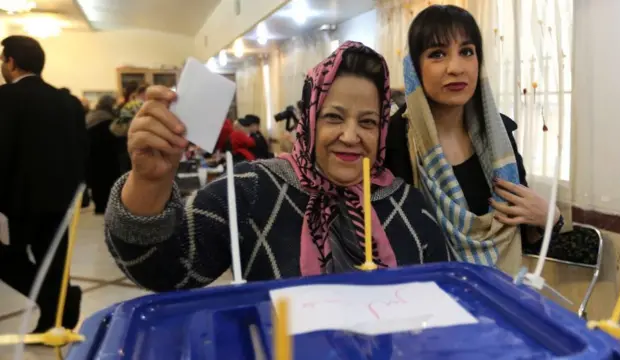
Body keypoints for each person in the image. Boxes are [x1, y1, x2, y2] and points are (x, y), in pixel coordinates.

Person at [104, 42, 449, 291]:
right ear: (309, 119)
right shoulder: (253, 188)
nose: (350, 135)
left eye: (368, 122)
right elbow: (163, 271)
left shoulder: (410, 208)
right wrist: (149, 182)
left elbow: (439, 308)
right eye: (333, 117)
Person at [384, 5, 564, 275]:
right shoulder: (392, 140)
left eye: (467, 52)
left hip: (498, 292)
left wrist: (551, 218)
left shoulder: (499, 135)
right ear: (415, 69)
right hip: (420, 297)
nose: (456, 67)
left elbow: (523, 233)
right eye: (437, 54)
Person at [0, 35, 84, 332]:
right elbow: (79, 149)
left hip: (18, 201)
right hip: (62, 198)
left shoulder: (5, 98)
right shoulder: (68, 101)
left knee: (8, 259)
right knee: (56, 262)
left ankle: (56, 303)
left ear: (11, 62)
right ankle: (55, 316)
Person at [86, 95, 120, 214]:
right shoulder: (109, 119)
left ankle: (99, 206)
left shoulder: (91, 116)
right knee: (107, 182)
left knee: (97, 182)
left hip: (92, 156)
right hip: (108, 156)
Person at [111, 83, 148, 174]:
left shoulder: (124, 106)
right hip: (134, 147)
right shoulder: (138, 106)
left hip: (126, 148)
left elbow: (115, 128)